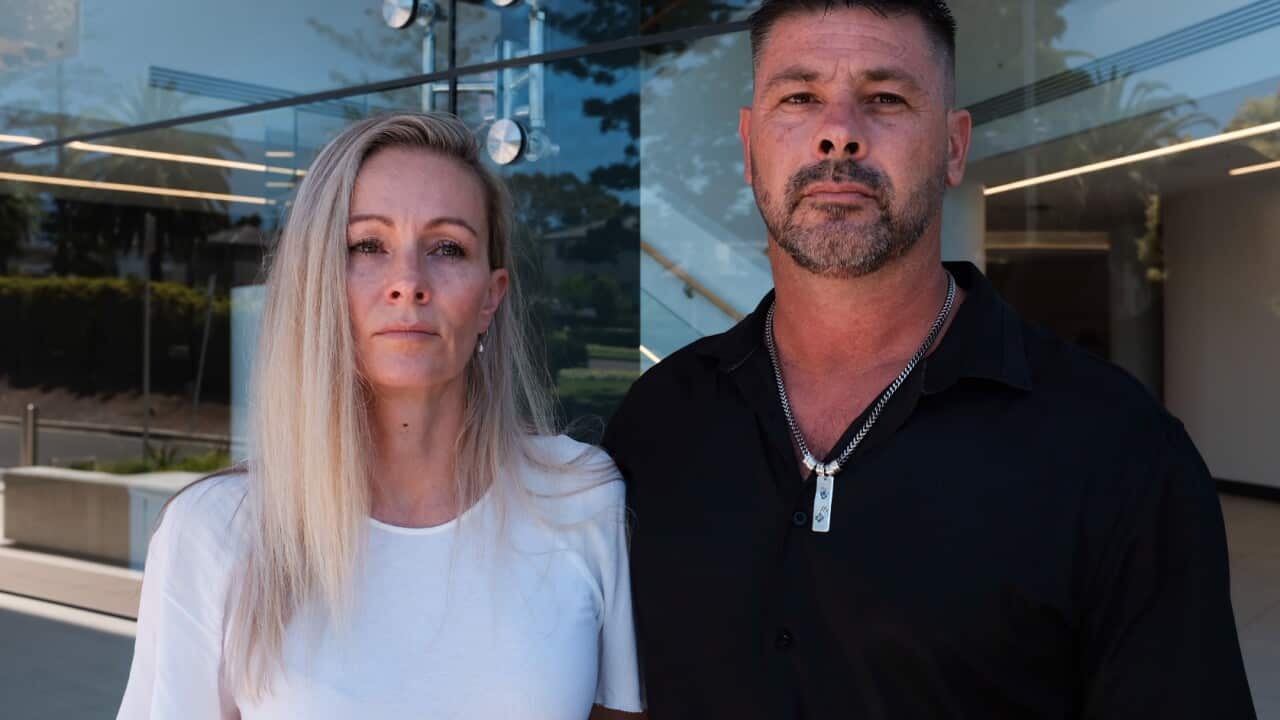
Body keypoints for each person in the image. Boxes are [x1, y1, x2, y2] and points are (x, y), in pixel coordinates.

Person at [602, 1, 1257, 718]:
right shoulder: (658, 424)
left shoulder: (1120, 454)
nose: (838, 135)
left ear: (953, 146)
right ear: (748, 144)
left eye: (885, 99)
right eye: (800, 97)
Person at [117, 113, 643, 719]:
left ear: (490, 297)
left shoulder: (580, 497)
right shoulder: (216, 532)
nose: (408, 283)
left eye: (447, 248)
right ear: (319, 280)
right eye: (367, 245)